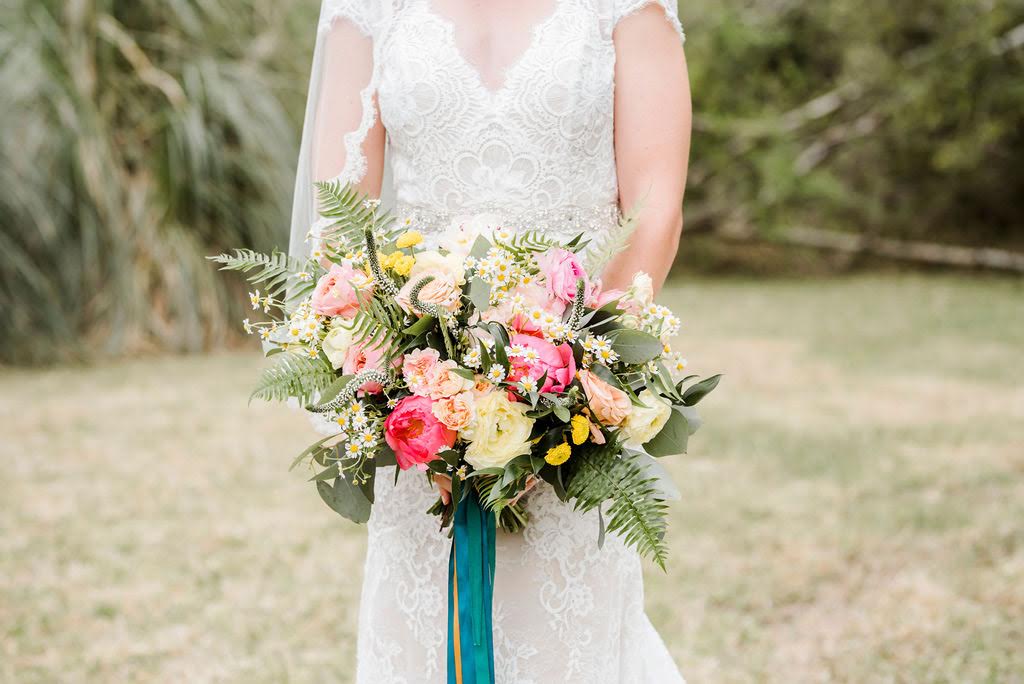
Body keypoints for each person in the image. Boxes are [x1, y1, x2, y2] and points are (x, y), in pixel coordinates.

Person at [289, 1, 692, 681]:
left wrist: (572, 375)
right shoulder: (370, 7)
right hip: (421, 406)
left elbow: (654, 205)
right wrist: (406, 382)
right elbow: (338, 221)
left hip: (574, 408)